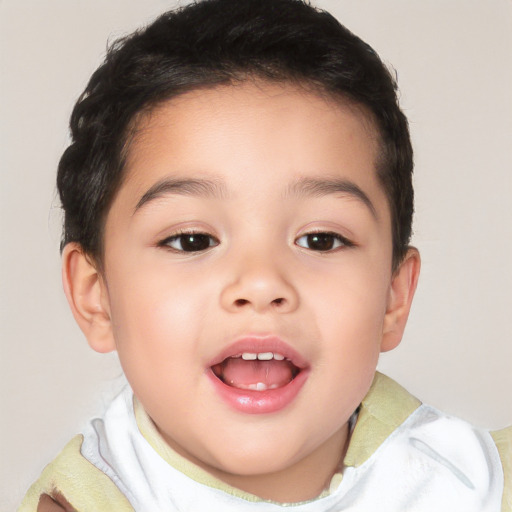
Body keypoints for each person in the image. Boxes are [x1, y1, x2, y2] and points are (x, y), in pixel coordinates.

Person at [18, 0, 511, 510]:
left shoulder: (478, 484)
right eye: (192, 240)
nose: (260, 283)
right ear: (97, 297)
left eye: (320, 239)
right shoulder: (77, 501)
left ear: (393, 296)